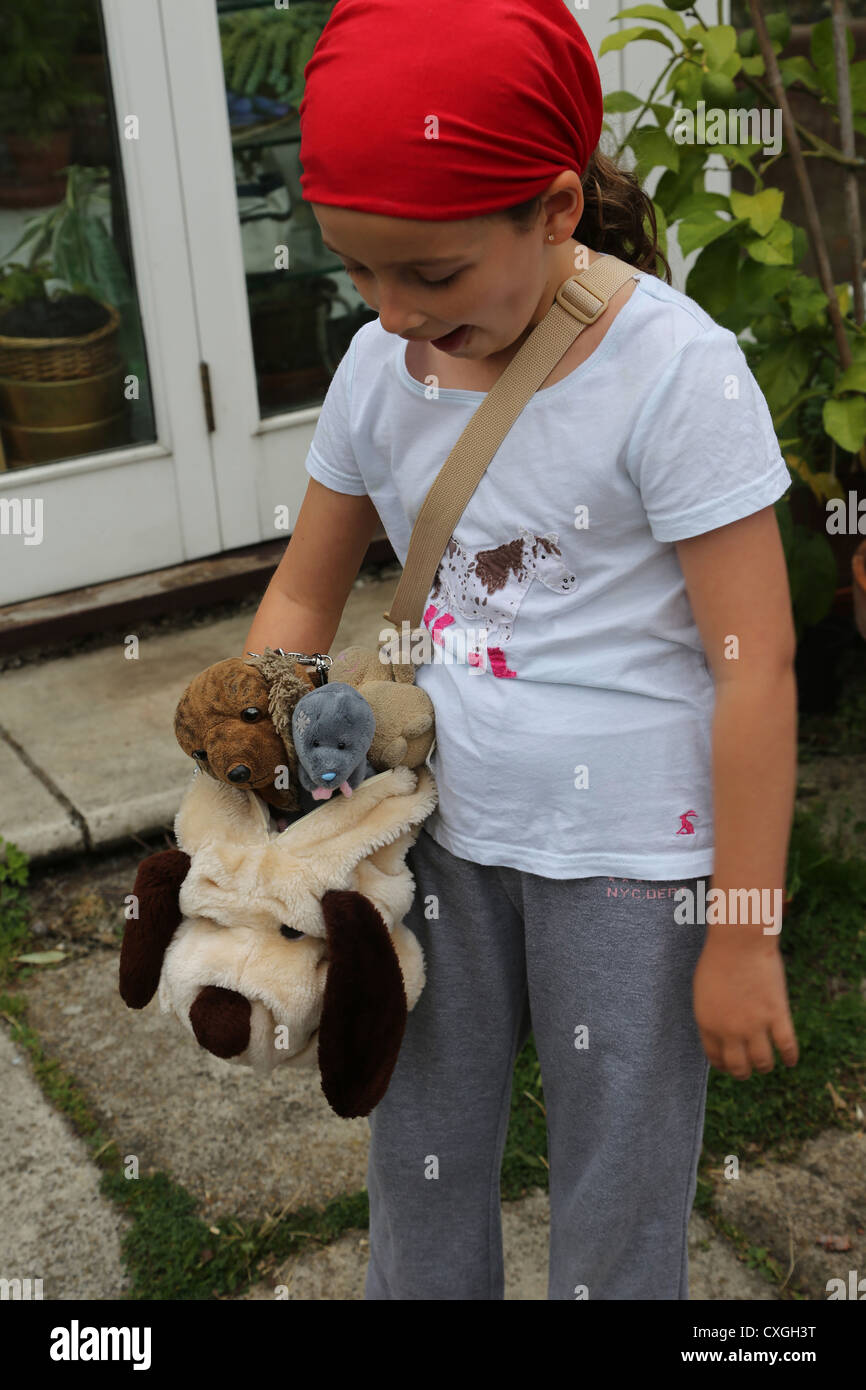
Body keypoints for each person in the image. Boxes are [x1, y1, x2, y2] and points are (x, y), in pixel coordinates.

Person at [243, 0, 799, 1300]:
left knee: (619, 1180)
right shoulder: (384, 367)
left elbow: (754, 666)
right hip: (434, 836)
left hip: (632, 872)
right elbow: (297, 601)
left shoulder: (676, 375)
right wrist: (254, 780)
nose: (390, 315)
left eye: (429, 275)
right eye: (357, 272)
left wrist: (743, 928)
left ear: (554, 211)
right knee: (417, 1154)